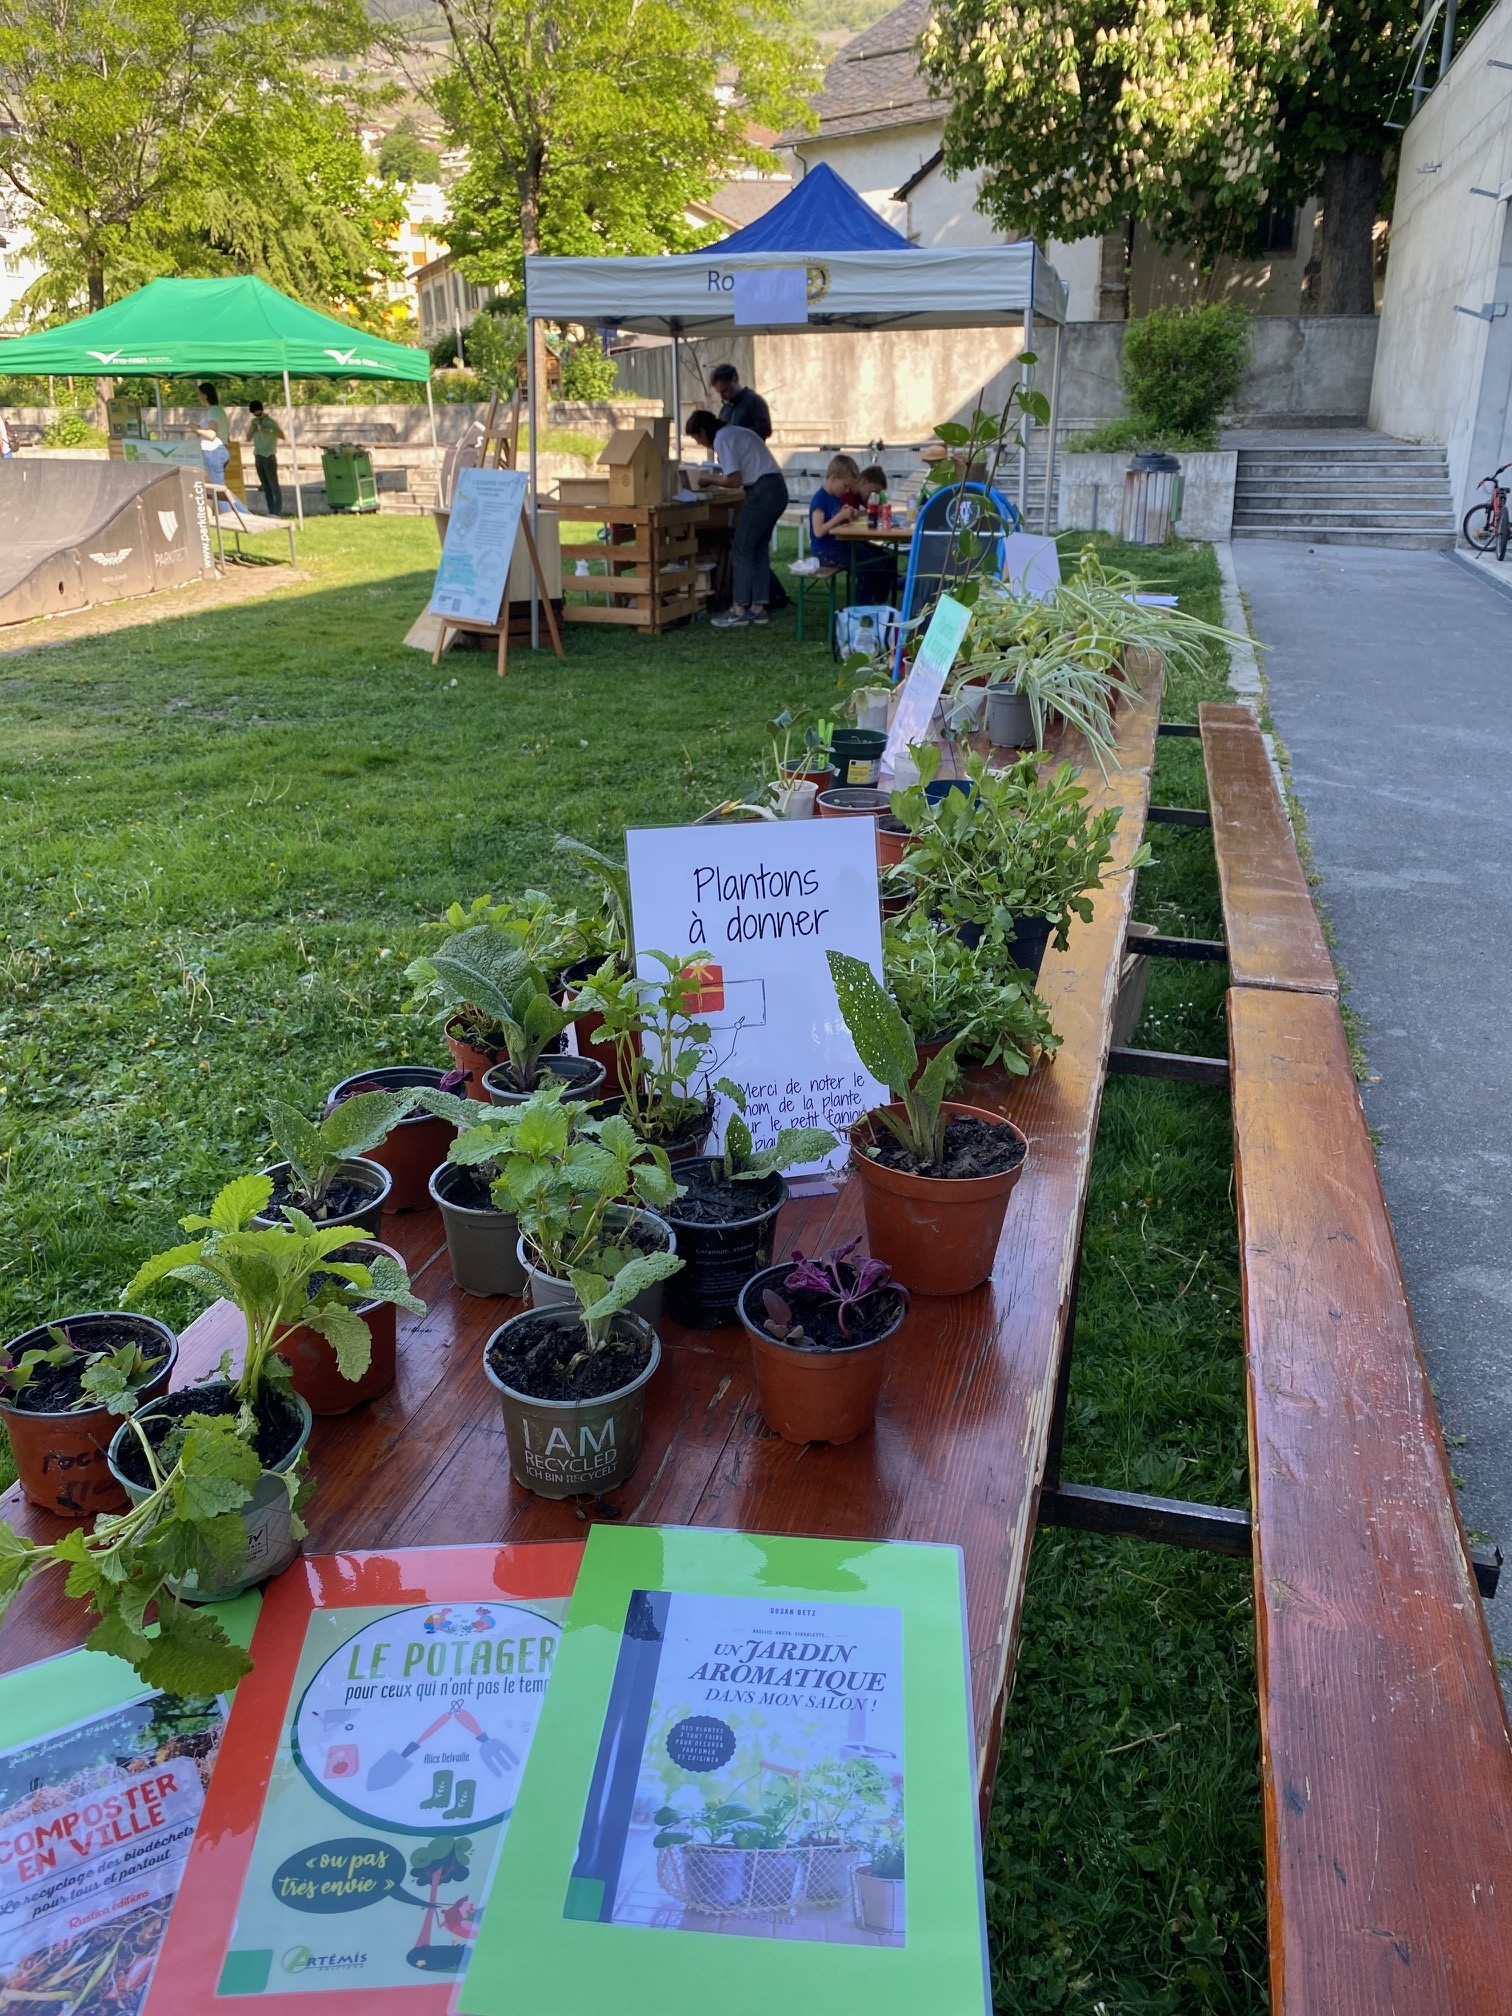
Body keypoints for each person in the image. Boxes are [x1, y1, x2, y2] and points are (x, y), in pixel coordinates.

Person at [685, 407, 789, 628]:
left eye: (696, 439)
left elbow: (734, 480)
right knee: (757, 549)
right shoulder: (736, 432)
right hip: (776, 488)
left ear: (703, 432)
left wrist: (709, 480)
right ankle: (758, 607)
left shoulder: (723, 439)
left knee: (742, 549)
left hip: (761, 491)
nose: (699, 444)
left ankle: (739, 608)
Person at [852, 462, 899, 605]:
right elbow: (852, 516)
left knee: (889, 560)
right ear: (865, 481)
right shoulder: (849, 495)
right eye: (873, 491)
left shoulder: (860, 496)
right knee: (874, 564)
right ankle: (862, 604)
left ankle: (879, 602)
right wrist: (869, 511)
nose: (873, 496)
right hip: (845, 542)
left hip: (856, 539)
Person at [808, 453, 862, 570]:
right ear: (833, 478)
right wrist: (840, 516)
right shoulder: (820, 499)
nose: (847, 490)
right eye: (845, 486)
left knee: (869, 556)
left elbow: (837, 522)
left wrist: (849, 515)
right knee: (860, 566)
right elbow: (818, 531)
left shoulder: (836, 498)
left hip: (838, 545)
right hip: (824, 551)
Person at [709, 364, 771, 441]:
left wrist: (736, 434)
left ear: (735, 379)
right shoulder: (725, 409)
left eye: (725, 390)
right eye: (719, 392)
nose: (722, 396)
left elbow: (765, 429)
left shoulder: (754, 401)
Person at [246, 400, 285, 515]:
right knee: (265, 486)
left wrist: (270, 430)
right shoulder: (254, 422)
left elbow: (282, 435)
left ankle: (277, 511)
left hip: (269, 456)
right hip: (258, 456)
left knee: (273, 485)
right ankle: (271, 510)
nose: (257, 416)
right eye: (255, 414)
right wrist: (252, 429)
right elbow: (248, 438)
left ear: (262, 410)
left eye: (259, 414)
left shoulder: (271, 422)